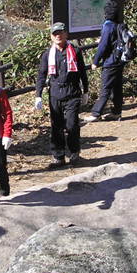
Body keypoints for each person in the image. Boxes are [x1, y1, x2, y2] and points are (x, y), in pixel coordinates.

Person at [35, 23, 90, 168]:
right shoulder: (48, 54)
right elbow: (41, 74)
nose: (58, 36)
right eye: (54, 34)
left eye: (60, 32)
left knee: (72, 125)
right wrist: (38, 95)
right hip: (55, 94)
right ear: (51, 36)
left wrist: (85, 91)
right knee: (56, 126)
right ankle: (58, 156)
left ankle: (74, 151)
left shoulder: (75, 52)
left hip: (72, 93)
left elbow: (82, 73)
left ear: (66, 34)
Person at [84, 1, 125, 122]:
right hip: (119, 60)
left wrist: (95, 61)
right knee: (117, 87)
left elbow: (103, 46)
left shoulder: (108, 27)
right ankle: (117, 112)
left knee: (105, 88)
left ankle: (96, 113)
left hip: (110, 62)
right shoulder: (119, 25)